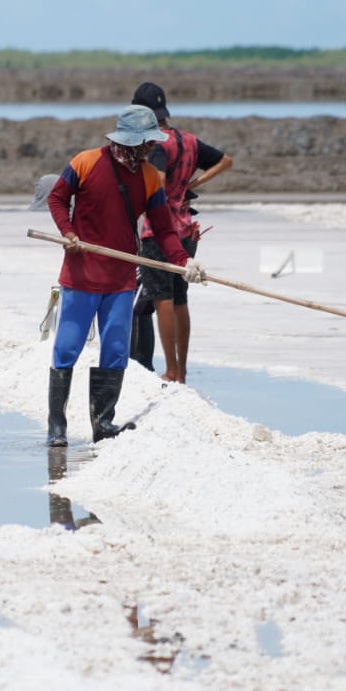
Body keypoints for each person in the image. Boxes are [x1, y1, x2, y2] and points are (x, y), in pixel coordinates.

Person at [45, 105, 205, 447]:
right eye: (147, 143)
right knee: (67, 348)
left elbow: (163, 228)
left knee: (116, 349)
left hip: (121, 279)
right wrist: (68, 233)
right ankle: (56, 426)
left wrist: (183, 260)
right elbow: (57, 199)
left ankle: (103, 423)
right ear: (131, 142)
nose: (151, 149)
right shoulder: (84, 163)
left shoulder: (149, 177)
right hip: (81, 274)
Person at [130, 81, 233, 383]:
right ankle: (182, 370)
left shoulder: (157, 144)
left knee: (161, 298)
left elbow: (158, 181)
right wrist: (192, 185)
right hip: (187, 229)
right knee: (179, 299)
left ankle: (171, 370)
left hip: (160, 230)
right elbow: (225, 161)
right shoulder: (188, 140)